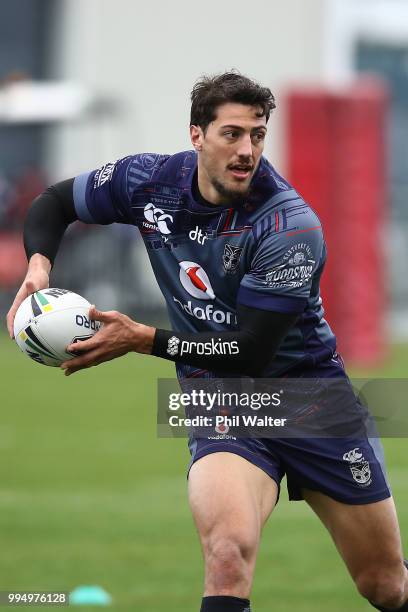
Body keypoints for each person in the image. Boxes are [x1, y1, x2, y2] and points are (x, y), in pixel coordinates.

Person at [6, 72, 407, 612]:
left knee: (384, 586)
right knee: (226, 554)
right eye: (233, 134)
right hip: (222, 400)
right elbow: (53, 203)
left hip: (311, 402)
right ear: (197, 134)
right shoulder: (148, 182)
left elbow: (251, 352)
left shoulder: (288, 226)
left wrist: (143, 340)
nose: (248, 151)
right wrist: (39, 265)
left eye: (258, 135)